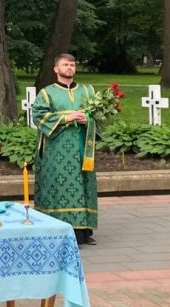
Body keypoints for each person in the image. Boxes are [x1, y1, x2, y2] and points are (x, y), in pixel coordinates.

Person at [32, 53, 98, 245]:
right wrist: (65, 118)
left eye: (72, 64)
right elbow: (38, 116)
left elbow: (99, 116)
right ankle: (59, 230)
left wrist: (89, 120)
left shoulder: (87, 92)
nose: (69, 67)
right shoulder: (46, 93)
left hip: (81, 147)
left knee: (83, 184)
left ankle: (84, 231)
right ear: (56, 69)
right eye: (65, 64)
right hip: (56, 150)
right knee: (59, 187)